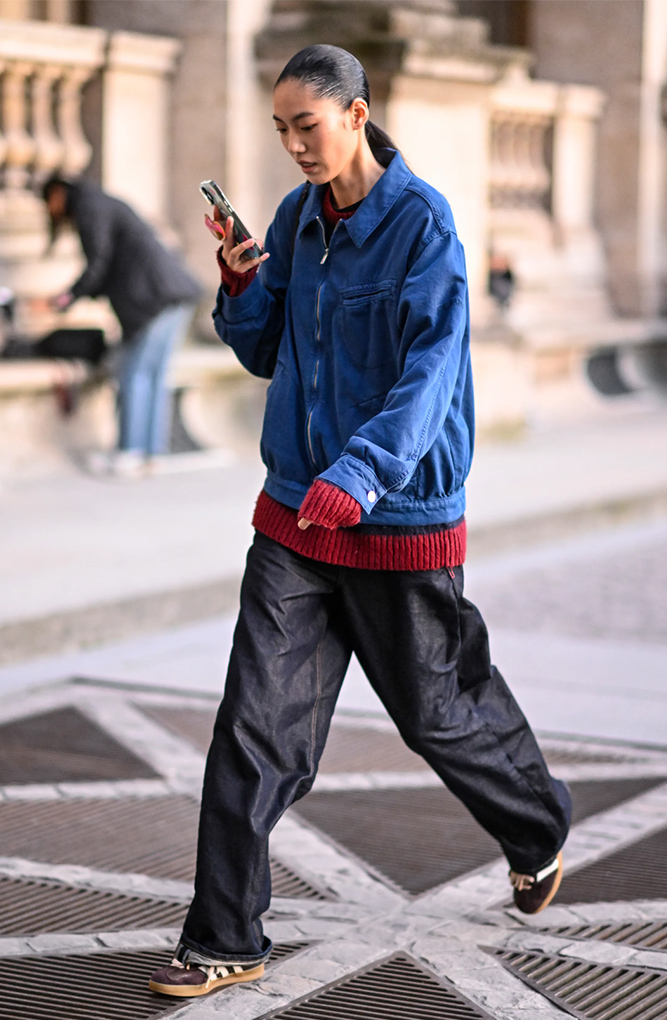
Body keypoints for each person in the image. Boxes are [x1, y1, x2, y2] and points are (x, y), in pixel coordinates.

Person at [149, 44, 572, 999]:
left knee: (439, 714)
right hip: (298, 516)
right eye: (281, 130)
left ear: (356, 114)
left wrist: (365, 471)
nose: (295, 146)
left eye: (308, 125)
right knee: (254, 730)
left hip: (395, 517)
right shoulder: (296, 221)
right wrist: (243, 287)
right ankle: (224, 937)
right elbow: (269, 351)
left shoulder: (423, 224)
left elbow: (432, 374)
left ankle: (537, 826)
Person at [42, 176, 201, 477]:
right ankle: (149, 454)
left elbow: (98, 263)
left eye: (48, 200)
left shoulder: (88, 207)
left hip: (153, 298)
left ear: (58, 192)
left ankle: (130, 452)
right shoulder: (101, 203)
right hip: (171, 294)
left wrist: (67, 297)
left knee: (134, 373)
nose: (50, 209)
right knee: (152, 376)